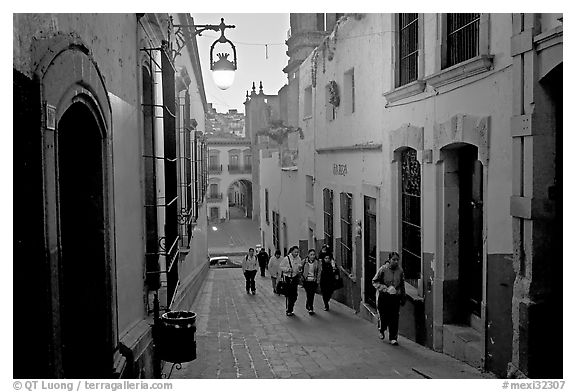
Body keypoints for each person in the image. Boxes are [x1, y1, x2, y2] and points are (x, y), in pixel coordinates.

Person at [371, 252, 406, 345]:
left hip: (395, 297)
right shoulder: (383, 269)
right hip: (384, 296)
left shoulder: (400, 271)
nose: (396, 262)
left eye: (397, 260)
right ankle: (382, 330)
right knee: (384, 315)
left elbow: (402, 284)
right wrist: (384, 288)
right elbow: (374, 281)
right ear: (389, 260)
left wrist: (402, 295)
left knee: (394, 317)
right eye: (394, 259)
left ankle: (393, 337)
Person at [279, 245, 303, 316]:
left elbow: (299, 267)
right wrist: (288, 269)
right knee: (290, 295)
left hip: (295, 277)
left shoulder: (298, 258)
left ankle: (290, 307)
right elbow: (281, 266)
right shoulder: (287, 259)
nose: (296, 253)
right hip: (288, 278)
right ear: (292, 251)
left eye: (297, 252)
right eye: (295, 252)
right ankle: (289, 310)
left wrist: (300, 269)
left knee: (295, 295)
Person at [302, 249, 321, 314]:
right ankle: (309, 305)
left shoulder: (317, 262)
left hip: (313, 281)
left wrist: (318, 280)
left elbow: (319, 272)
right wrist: (302, 277)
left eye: (313, 255)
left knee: (312, 294)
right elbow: (300, 269)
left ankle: (310, 307)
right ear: (308, 255)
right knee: (309, 294)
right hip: (306, 281)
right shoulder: (304, 261)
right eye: (311, 255)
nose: (312, 256)